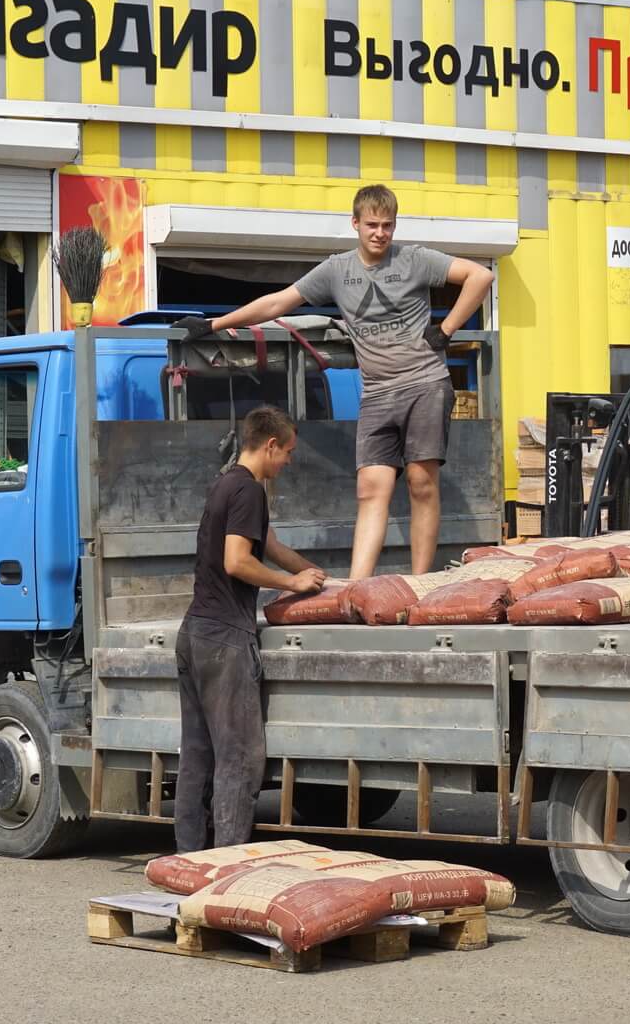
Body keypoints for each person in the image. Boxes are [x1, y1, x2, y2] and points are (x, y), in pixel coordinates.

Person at [176, 184, 496, 578]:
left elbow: (480, 276)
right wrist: (214, 323)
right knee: (370, 488)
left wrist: (445, 330)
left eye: (388, 226)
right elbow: (278, 302)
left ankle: (419, 582)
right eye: (372, 225)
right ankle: (360, 584)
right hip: (377, 391)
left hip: (424, 383)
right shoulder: (336, 270)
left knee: (420, 481)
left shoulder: (415, 259)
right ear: (355, 223)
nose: (380, 233)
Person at [174, 406, 325, 853]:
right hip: (223, 639)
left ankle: (190, 865)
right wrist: (291, 584)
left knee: (198, 757)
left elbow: (270, 546)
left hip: (196, 634)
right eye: (288, 452)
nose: (289, 462)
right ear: (270, 445)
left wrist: (320, 576)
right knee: (239, 759)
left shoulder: (227, 483)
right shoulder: (248, 490)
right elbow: (237, 561)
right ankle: (228, 870)